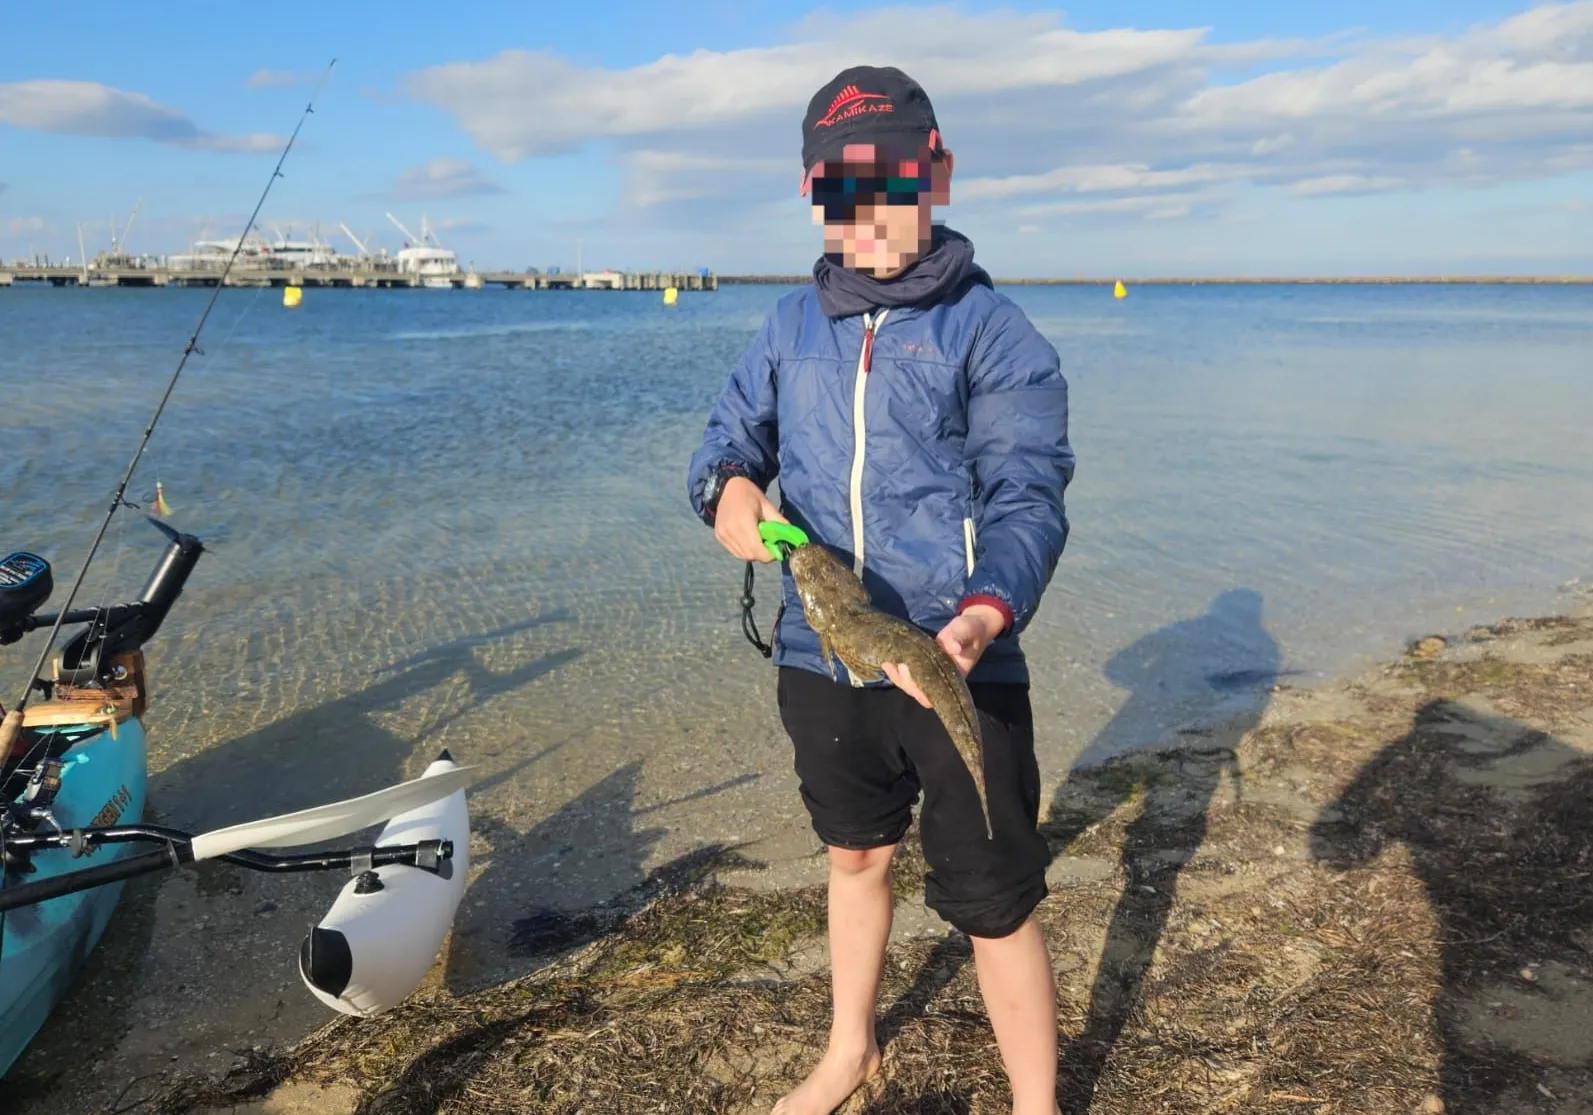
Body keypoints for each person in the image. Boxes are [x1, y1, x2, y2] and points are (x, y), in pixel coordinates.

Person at [686, 64, 1075, 1115]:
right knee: (855, 851)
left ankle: (1037, 1102)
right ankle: (847, 1046)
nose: (865, 214)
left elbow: (1027, 496)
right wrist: (726, 494)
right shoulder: (785, 327)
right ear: (816, 197)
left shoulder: (994, 333)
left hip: (959, 655)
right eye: (839, 191)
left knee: (994, 898)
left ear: (935, 173)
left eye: (891, 181)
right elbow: (728, 443)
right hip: (822, 654)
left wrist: (985, 611)